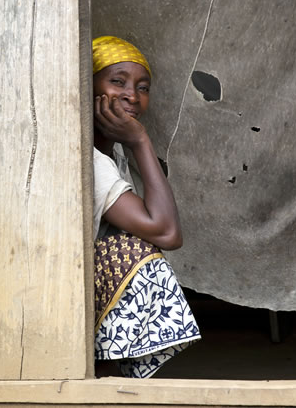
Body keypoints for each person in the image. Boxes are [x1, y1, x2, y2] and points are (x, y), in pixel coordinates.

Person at [92, 36, 201, 379]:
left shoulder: (114, 153)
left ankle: (111, 371)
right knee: (133, 250)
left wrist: (133, 143)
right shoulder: (87, 159)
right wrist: (140, 140)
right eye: (117, 81)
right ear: (88, 86)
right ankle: (107, 373)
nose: (132, 96)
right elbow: (166, 231)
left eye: (143, 87)